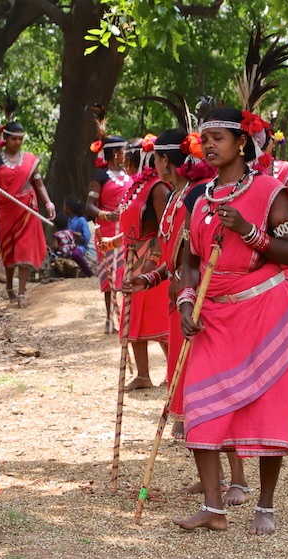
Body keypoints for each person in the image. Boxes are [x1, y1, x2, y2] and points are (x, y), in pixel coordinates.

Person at [171, 106, 288, 535]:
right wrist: (186, 304)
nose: (209, 145)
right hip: (212, 316)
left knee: (269, 408)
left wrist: (250, 231)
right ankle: (212, 508)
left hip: (263, 311)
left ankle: (265, 505)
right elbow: (189, 262)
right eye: (204, 139)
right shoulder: (199, 198)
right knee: (200, 407)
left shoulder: (270, 191)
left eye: (218, 138)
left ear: (240, 143)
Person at [124, 127, 213, 434]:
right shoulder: (176, 194)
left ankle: (196, 419)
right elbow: (173, 253)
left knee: (196, 357)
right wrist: (151, 278)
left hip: (196, 292)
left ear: (164, 161)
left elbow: (198, 252)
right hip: (178, 289)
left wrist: (184, 284)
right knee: (178, 353)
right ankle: (184, 416)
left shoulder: (197, 194)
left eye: (156, 159)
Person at [102, 136, 170, 391]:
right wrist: (113, 242)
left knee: (160, 317)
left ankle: (174, 372)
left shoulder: (158, 188)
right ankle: (143, 375)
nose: (124, 164)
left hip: (152, 260)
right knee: (132, 317)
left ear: (138, 160)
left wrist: (154, 260)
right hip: (131, 257)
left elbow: (166, 228)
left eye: (127, 160)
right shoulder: (135, 187)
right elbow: (132, 228)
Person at [0, 121, 53, 308]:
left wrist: (48, 202)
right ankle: (9, 287)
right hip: (6, 211)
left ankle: (21, 292)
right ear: (5, 139)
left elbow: (39, 184)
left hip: (27, 209)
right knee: (8, 250)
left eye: (21, 139)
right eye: (14, 139)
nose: (18, 142)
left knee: (24, 249)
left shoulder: (30, 160)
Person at [86, 134, 129, 333]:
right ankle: (109, 318)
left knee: (127, 273)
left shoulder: (129, 173)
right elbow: (90, 206)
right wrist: (107, 215)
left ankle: (127, 318)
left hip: (127, 230)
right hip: (106, 231)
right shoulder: (100, 177)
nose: (127, 154)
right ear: (115, 153)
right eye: (124, 150)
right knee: (109, 275)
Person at [60, 195, 93, 276]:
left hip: (80, 246)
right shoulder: (68, 221)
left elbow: (86, 237)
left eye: (64, 206)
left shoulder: (81, 220)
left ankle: (89, 273)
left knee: (76, 254)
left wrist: (73, 234)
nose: (63, 208)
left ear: (69, 209)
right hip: (69, 245)